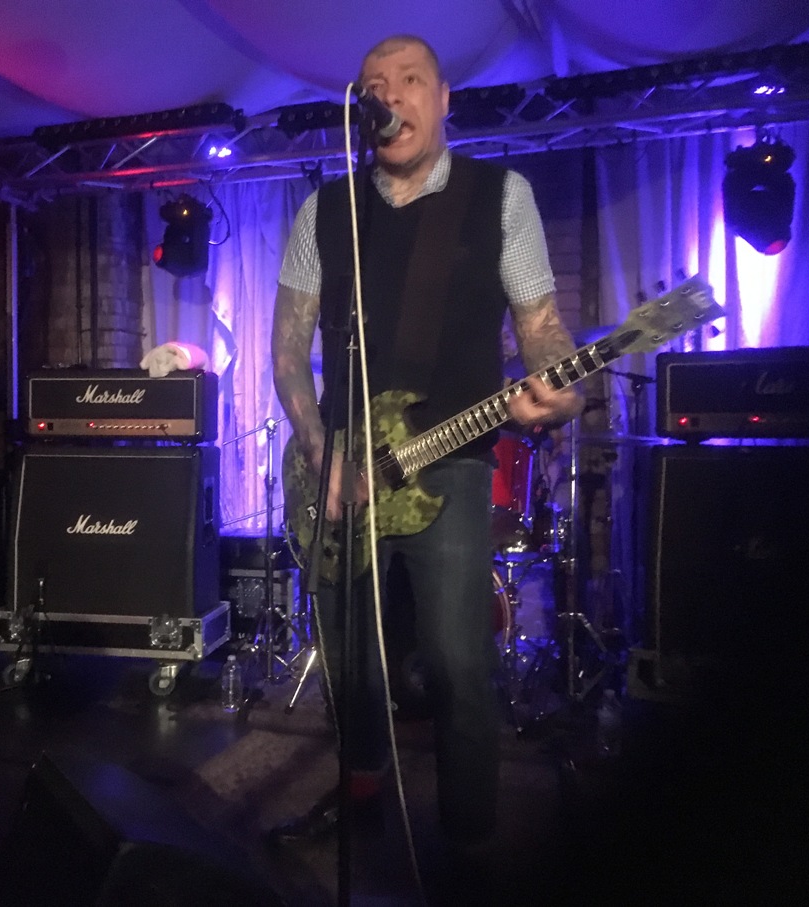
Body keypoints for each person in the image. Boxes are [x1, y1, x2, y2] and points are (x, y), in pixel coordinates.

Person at [268, 35, 583, 859]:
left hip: (451, 457)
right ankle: (362, 799)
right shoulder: (323, 212)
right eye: (376, 84)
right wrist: (319, 448)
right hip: (343, 465)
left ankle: (470, 837)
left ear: (444, 100)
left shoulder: (501, 197)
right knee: (350, 662)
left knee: (455, 660)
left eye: (411, 80)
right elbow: (286, 348)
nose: (392, 95)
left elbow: (542, 328)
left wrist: (559, 387)